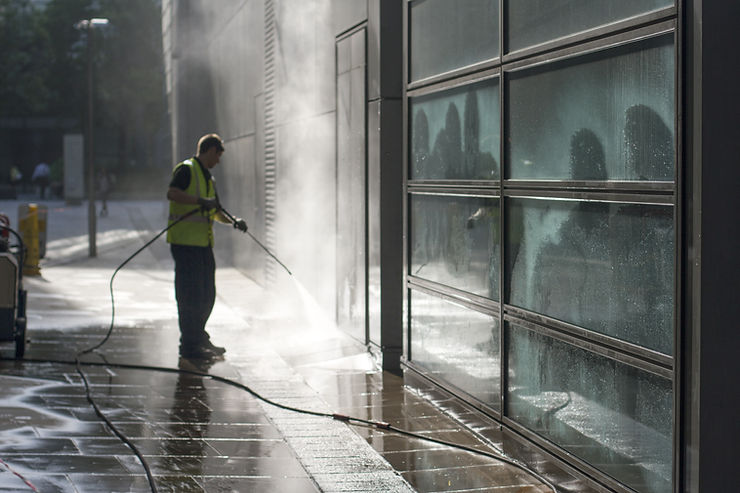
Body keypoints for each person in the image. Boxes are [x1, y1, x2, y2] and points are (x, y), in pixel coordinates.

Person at [166, 133, 248, 359]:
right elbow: (172, 193)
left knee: (207, 295)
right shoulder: (186, 170)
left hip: (202, 245)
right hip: (184, 244)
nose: (218, 161)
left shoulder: (208, 179)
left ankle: (198, 336)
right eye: (218, 156)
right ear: (210, 150)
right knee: (189, 295)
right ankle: (189, 344)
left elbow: (216, 210)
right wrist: (200, 202)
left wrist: (234, 221)